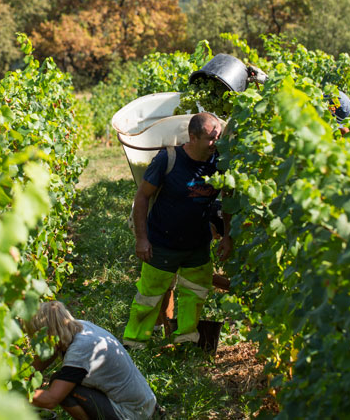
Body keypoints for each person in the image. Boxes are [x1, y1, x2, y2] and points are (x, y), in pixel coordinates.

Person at [123, 112, 232, 349]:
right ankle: (134, 344)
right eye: (211, 139)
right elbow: (142, 197)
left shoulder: (219, 162)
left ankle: (185, 341)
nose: (216, 143)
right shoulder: (168, 159)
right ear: (193, 137)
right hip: (162, 242)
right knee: (149, 297)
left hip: (198, 245)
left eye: (218, 137)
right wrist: (142, 239)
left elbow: (230, 197)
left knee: (195, 295)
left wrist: (227, 236)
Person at [27, 301, 157, 420]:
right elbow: (49, 351)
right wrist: (27, 375)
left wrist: (15, 395)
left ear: (49, 333)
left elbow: (51, 400)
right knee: (60, 381)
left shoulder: (80, 350)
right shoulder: (76, 327)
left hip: (132, 413)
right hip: (143, 404)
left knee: (65, 389)